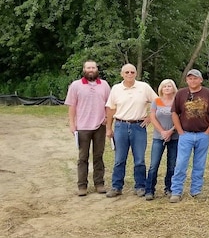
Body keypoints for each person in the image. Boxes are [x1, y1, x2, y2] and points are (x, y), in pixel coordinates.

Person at [105, 63, 157, 198]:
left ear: (136, 74)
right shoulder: (116, 89)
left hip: (138, 127)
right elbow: (110, 109)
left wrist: (151, 117)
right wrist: (108, 128)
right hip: (120, 126)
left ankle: (140, 186)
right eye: (126, 72)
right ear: (122, 74)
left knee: (139, 159)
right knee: (119, 159)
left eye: (132, 72)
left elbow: (160, 102)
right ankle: (116, 186)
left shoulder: (144, 87)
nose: (129, 74)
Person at [169, 69, 209, 202]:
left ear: (200, 80)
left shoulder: (208, 93)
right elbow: (174, 113)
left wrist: (208, 131)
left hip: (202, 135)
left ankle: (196, 190)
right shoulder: (181, 93)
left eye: (195, 78)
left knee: (199, 164)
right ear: (187, 80)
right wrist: (179, 131)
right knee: (181, 164)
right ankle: (176, 191)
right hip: (186, 135)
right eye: (190, 78)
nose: (192, 80)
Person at [65, 60, 111, 196]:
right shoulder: (76, 85)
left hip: (99, 126)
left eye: (93, 67)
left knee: (98, 156)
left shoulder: (104, 85)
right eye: (88, 67)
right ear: (84, 69)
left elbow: (109, 105)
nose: (91, 69)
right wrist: (72, 124)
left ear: (97, 69)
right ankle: (82, 186)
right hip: (82, 127)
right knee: (83, 157)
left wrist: (107, 119)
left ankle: (99, 184)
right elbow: (72, 106)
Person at [144, 79, 179, 200]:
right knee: (154, 164)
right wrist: (163, 132)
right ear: (161, 89)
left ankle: (169, 188)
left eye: (169, 86)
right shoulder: (156, 101)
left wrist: (171, 131)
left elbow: (181, 118)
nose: (167, 88)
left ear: (173, 88)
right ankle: (149, 190)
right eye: (165, 86)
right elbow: (152, 117)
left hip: (174, 137)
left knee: (172, 164)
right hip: (159, 137)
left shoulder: (177, 101)